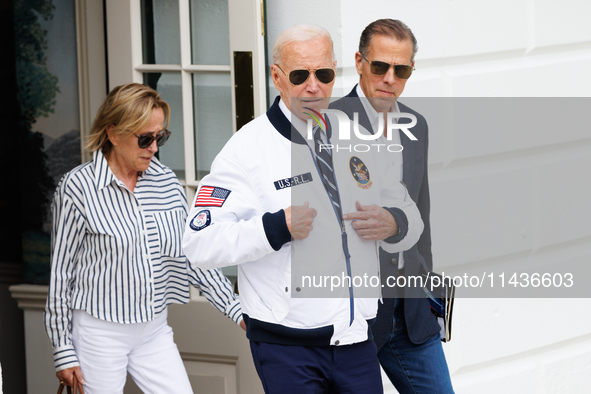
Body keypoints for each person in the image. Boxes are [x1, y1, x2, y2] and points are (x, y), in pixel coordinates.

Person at [182, 25, 423, 394]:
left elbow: (407, 211)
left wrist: (394, 222)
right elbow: (199, 242)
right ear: (277, 77)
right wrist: (275, 228)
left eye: (323, 74)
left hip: (356, 339)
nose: (314, 86)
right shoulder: (245, 150)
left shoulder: (357, 135)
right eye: (300, 75)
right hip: (288, 347)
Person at [44, 83, 244, 393]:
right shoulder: (78, 188)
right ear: (113, 132)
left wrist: (237, 310)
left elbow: (193, 256)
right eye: (145, 138)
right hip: (99, 331)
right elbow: (61, 275)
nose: (154, 147)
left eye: (160, 137)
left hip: (153, 329)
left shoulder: (167, 184)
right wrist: (63, 349)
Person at [331, 19, 455, 393]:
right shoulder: (326, 124)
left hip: (412, 315)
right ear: (359, 61)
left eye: (401, 70)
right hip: (355, 319)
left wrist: (429, 292)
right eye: (380, 66)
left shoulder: (416, 125)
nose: (389, 78)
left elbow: (422, 211)